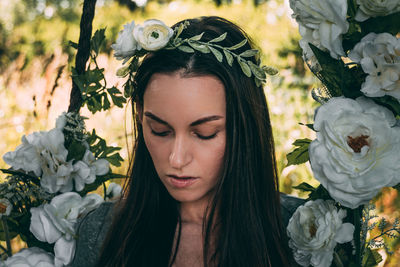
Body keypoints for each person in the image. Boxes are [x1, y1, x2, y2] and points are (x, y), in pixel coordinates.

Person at [69, 16, 304, 267]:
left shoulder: (306, 233)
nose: (177, 159)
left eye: (205, 133)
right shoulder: (102, 232)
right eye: (160, 130)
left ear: (244, 127)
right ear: (140, 117)